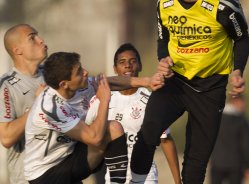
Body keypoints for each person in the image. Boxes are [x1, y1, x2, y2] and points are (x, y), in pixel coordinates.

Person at [130, 0, 249, 183]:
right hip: (175, 81)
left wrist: (238, 70)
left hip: (211, 88)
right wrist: (163, 59)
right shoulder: (164, 4)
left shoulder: (224, 6)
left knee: (197, 160)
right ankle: (135, 181)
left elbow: (242, 39)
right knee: (148, 132)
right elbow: (164, 39)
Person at [24, 51, 164, 184]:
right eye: (79, 72)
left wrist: (147, 81)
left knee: (113, 128)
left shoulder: (78, 86)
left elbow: (110, 83)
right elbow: (95, 139)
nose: (85, 72)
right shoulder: (50, 107)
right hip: (45, 173)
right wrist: (104, 101)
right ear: (64, 84)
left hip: (70, 157)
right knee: (99, 134)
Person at [85, 43, 181, 183]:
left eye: (132, 61)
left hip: (145, 176)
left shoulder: (151, 100)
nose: (128, 66)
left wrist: (178, 181)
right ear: (115, 68)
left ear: (140, 66)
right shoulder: (102, 98)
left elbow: (165, 139)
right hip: (113, 175)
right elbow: (87, 133)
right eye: (122, 62)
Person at [0, 24, 48, 184]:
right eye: (32, 38)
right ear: (17, 50)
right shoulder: (5, 85)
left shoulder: (53, 74)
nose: (40, 40)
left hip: (63, 174)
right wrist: (38, 104)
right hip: (27, 178)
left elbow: (95, 83)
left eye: (38, 35)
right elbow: (7, 137)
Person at [210, 95, 249, 184]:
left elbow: (208, 139)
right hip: (236, 165)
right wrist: (248, 166)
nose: (244, 106)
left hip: (217, 162)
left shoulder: (216, 117)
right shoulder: (242, 121)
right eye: (243, 103)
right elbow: (247, 145)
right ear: (237, 102)